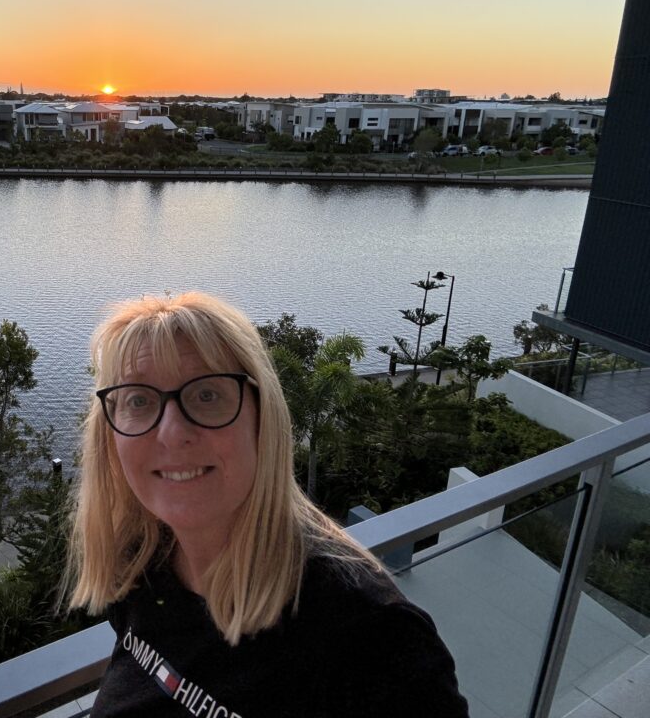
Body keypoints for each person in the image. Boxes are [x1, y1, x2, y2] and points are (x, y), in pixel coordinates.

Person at [68, 292, 469, 717]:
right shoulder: (142, 563)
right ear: (108, 436)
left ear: (263, 419)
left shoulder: (372, 641)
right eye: (138, 400)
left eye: (207, 395)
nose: (171, 433)